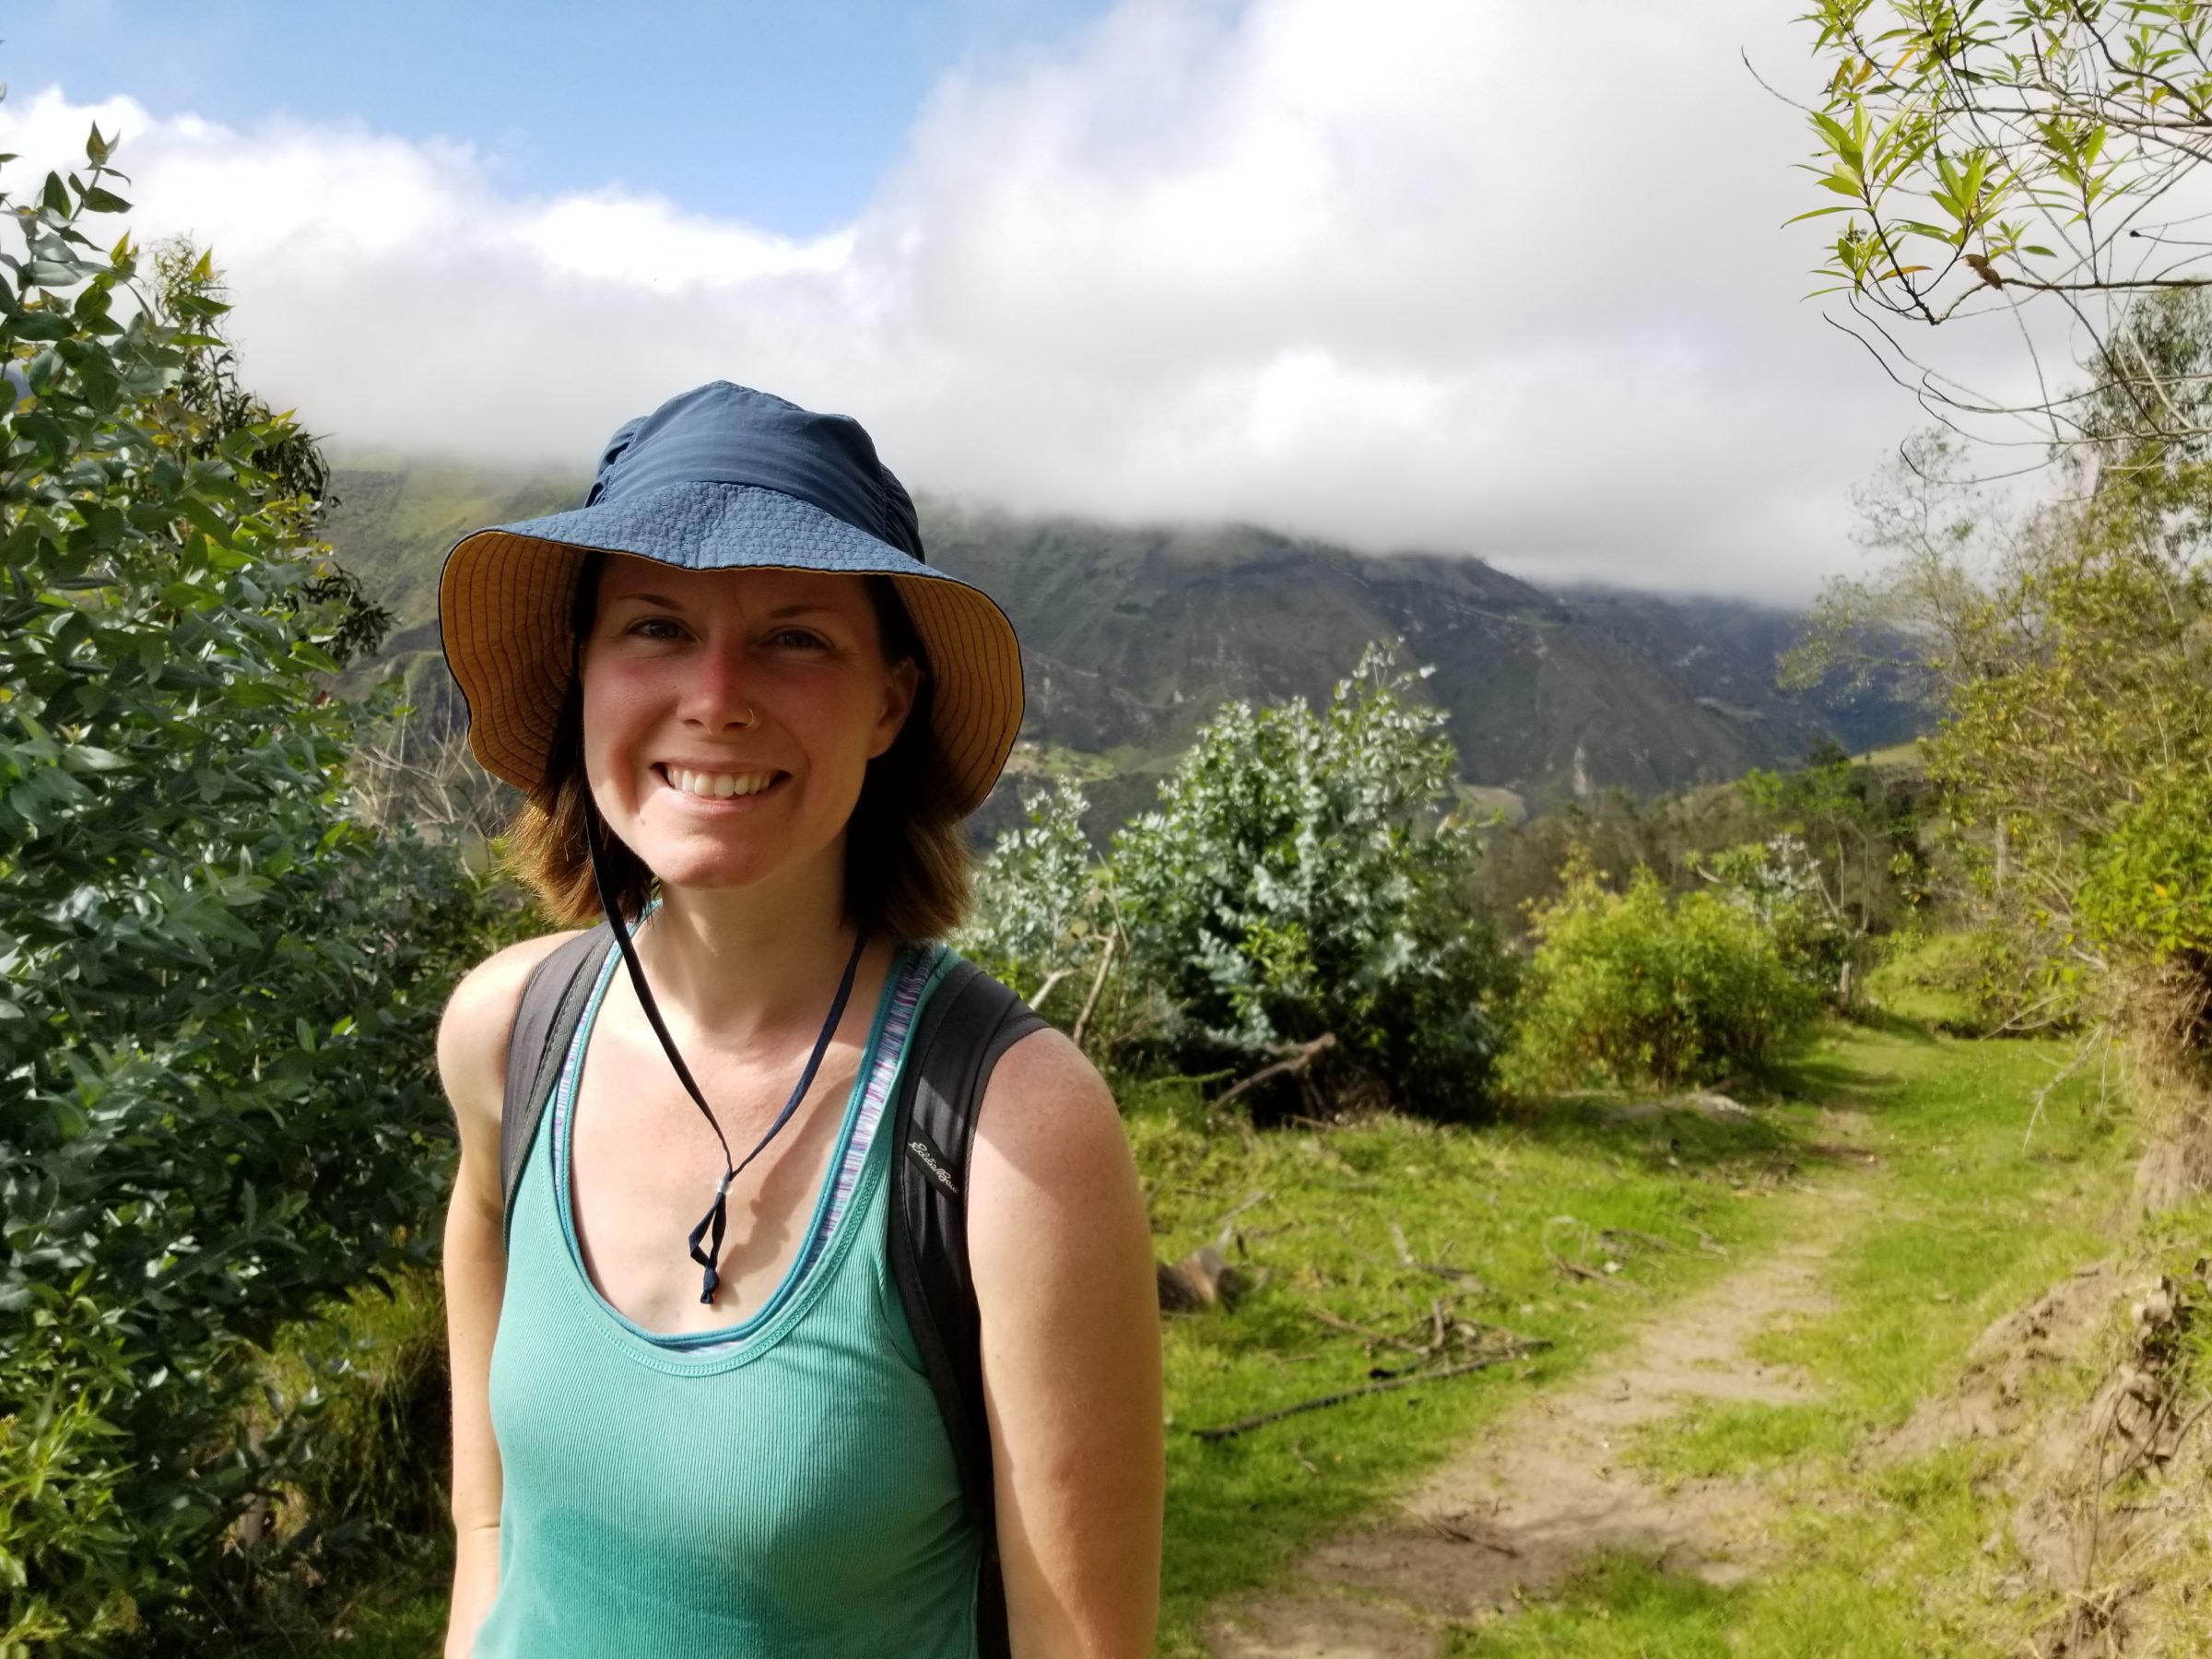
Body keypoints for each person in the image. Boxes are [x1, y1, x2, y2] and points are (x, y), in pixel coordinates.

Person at [431, 383, 1164, 1657]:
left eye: (795, 640)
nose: (716, 696)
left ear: (889, 704)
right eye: (655, 627)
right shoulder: (507, 1035)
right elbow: (490, 1528)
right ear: (585, 680)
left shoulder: (1012, 1133)